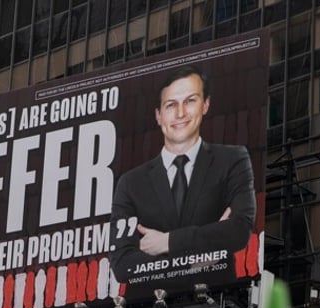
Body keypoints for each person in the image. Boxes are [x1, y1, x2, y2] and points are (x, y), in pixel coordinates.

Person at [110, 65, 256, 283]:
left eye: (190, 101)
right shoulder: (131, 183)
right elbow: (122, 265)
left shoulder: (233, 160)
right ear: (158, 116)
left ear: (205, 105)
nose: (180, 113)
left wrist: (168, 242)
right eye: (171, 105)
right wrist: (191, 262)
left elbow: (238, 231)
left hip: (218, 304)